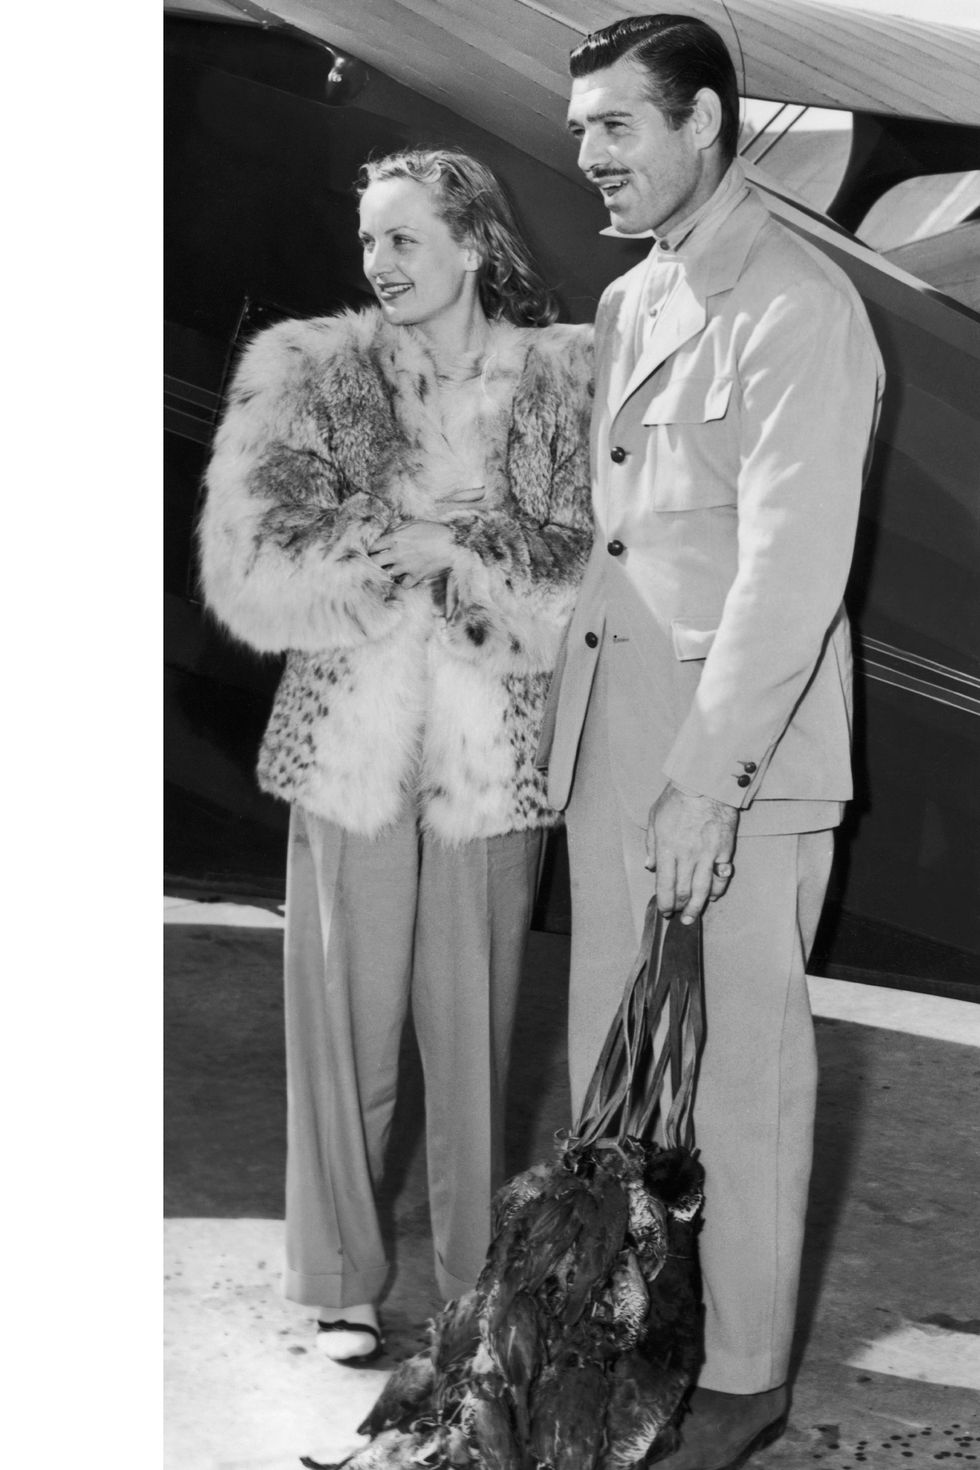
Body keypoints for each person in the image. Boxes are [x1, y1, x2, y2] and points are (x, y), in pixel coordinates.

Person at [539, 15, 884, 1467]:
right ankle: (625, 1334)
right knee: (608, 1066)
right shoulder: (633, 300)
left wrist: (708, 782)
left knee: (738, 1076)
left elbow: (789, 574)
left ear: (705, 122)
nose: (589, 156)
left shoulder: (799, 308)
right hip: (615, 737)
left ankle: (744, 1374)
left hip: (728, 762)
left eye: (615, 125)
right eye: (580, 130)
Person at [199, 147, 593, 1363]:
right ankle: (336, 1279)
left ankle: (478, 1283)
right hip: (349, 744)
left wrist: (463, 558)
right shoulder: (311, 371)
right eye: (368, 240)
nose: (377, 263)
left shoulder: (564, 377)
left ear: (472, 243)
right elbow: (248, 558)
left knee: (473, 1036)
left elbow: (582, 559)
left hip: (493, 748)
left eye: (404, 238)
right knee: (344, 1030)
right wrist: (394, 546)